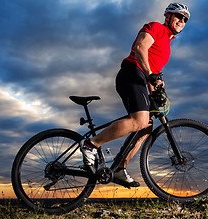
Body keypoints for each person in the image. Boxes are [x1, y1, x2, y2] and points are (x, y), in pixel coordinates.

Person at [81, 3, 190, 188]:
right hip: (131, 73)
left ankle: (119, 168)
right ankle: (91, 144)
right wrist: (150, 75)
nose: (182, 20)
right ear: (168, 16)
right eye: (179, 16)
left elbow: (152, 72)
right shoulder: (156, 27)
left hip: (141, 78)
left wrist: (155, 89)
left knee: (146, 127)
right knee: (139, 120)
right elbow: (140, 48)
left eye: (185, 19)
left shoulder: (168, 45)